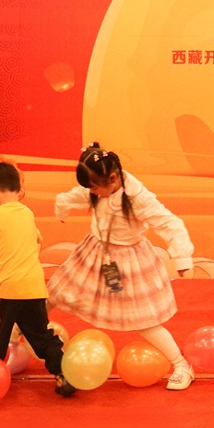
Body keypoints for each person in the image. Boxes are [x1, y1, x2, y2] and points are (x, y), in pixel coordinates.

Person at [47, 142, 196, 391]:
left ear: (113, 178)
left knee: (142, 320)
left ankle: (181, 365)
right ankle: (21, 331)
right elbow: (77, 195)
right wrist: (61, 206)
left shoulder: (137, 198)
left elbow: (170, 224)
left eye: (95, 187)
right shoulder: (98, 188)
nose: (92, 192)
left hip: (127, 261)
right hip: (94, 252)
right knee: (55, 293)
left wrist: (182, 258)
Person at [0, 162, 76, 397]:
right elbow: (38, 240)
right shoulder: (27, 214)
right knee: (41, 335)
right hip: (34, 288)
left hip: (7, 289)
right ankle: (64, 373)